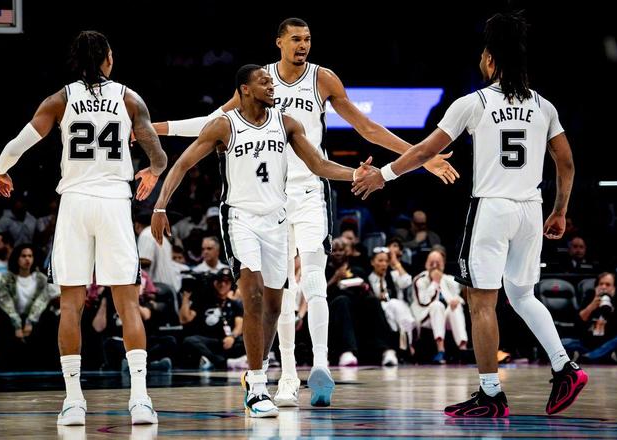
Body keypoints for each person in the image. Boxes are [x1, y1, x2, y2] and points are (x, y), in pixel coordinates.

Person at [151, 17, 459, 408]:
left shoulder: (322, 78)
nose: (303, 45)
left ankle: (321, 365)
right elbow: (211, 124)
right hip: (272, 198)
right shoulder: (260, 82)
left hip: (313, 187)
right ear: (278, 42)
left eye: (308, 39)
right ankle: (287, 376)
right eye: (295, 39)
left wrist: (422, 157)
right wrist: (155, 128)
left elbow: (366, 128)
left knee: (313, 278)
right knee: (282, 290)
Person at [353, 11, 586, 417]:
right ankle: (565, 367)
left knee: (481, 301)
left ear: (491, 59)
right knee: (522, 294)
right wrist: (560, 211)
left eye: (482, 53)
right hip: (531, 210)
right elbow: (565, 163)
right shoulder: (543, 106)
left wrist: (384, 175)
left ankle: (491, 393)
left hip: (492, 208)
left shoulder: (474, 103)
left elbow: (424, 151)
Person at [150, 64, 374, 417]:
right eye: (264, 82)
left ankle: (261, 370)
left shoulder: (286, 124)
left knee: (274, 305)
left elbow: (318, 165)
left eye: (272, 82)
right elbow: (183, 164)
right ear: (245, 89)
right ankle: (257, 387)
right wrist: (161, 205)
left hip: (276, 220)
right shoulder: (224, 125)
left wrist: (354, 174)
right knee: (252, 296)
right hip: (240, 218)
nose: (272, 86)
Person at [0, 31, 167, 425]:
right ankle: (140, 400)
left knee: (70, 305)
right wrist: (152, 172)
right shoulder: (129, 98)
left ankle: (73, 402)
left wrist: (0, 169)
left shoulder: (61, 98)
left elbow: (22, 140)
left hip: (74, 203)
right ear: (107, 58)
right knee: (127, 303)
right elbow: (157, 155)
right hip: (114, 203)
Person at [411, 250, 468, 363]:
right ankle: (440, 350)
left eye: (438, 263)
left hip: (443, 317)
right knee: (437, 306)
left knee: (455, 308)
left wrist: (457, 300)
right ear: (426, 264)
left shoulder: (448, 279)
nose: (434, 266)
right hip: (425, 317)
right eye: (431, 263)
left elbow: (458, 296)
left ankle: (463, 348)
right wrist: (435, 283)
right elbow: (424, 302)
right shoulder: (419, 280)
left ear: (443, 265)